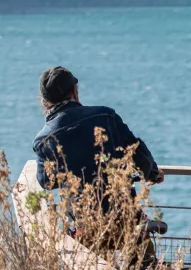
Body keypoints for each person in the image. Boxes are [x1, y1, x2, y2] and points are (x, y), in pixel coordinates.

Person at [33, 66, 164, 193]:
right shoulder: (106, 116)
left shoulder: (43, 140)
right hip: (121, 207)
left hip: (81, 213)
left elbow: (46, 181)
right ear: (74, 91)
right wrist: (153, 173)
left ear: (44, 100)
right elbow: (137, 153)